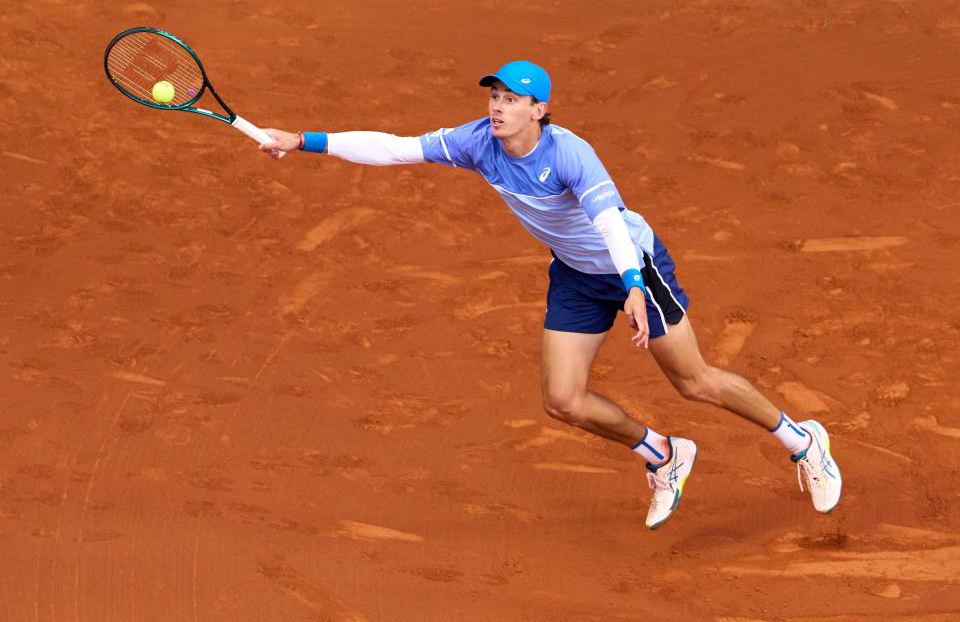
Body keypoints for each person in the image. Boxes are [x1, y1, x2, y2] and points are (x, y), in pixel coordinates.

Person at [258, 60, 841, 529]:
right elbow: (394, 148)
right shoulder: (475, 141)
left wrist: (634, 286)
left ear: (539, 110)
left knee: (693, 382)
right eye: (494, 97)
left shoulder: (568, 154)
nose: (497, 107)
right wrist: (303, 139)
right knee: (562, 400)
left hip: (632, 266)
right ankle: (664, 455)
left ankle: (803, 442)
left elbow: (610, 222)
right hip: (575, 276)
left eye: (512, 100)